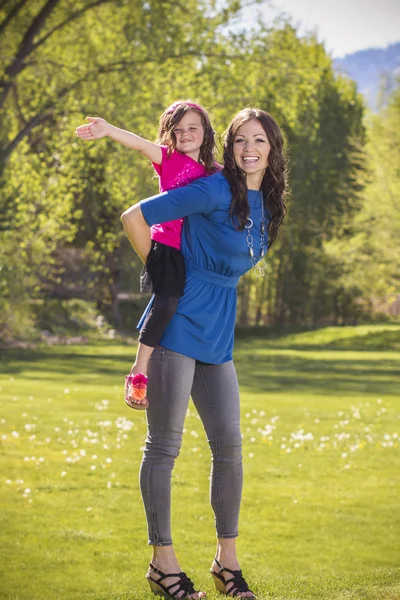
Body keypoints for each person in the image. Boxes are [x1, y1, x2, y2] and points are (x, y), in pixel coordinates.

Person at [120, 107, 287, 599]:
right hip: (178, 324)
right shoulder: (215, 188)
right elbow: (136, 217)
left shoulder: (269, 205)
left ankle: (226, 563)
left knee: (230, 447)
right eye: (240, 140)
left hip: (218, 331)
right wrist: (162, 268)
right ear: (229, 147)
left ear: (273, 149)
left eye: (259, 140)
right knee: (165, 448)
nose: (249, 148)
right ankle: (162, 565)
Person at [75, 101, 220, 409]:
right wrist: (108, 130)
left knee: (182, 305)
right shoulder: (169, 159)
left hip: (194, 254)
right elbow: (140, 144)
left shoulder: (214, 173)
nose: (185, 134)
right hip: (166, 248)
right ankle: (139, 371)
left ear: (206, 132)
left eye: (193, 128)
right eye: (178, 130)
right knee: (167, 302)